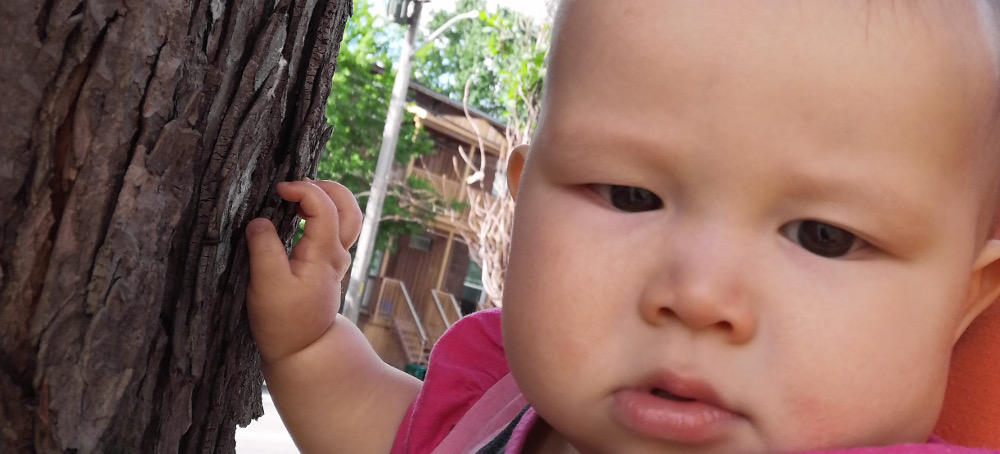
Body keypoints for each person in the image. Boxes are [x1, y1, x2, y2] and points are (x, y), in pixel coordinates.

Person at [244, 0, 1000, 453]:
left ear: (961, 305)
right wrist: (310, 344)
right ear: (523, 202)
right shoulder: (492, 406)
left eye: (823, 236)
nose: (699, 296)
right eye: (631, 195)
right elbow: (388, 433)